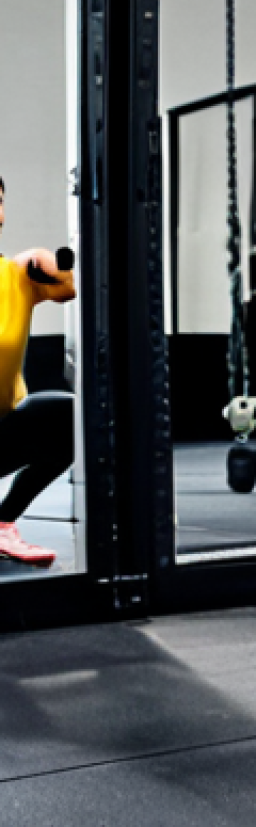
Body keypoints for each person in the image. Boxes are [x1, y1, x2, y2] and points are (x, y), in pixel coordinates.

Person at [0, 175, 77, 568]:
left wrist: (53, 262)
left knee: (70, 417)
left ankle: (1, 523)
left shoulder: (15, 276)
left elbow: (67, 289)